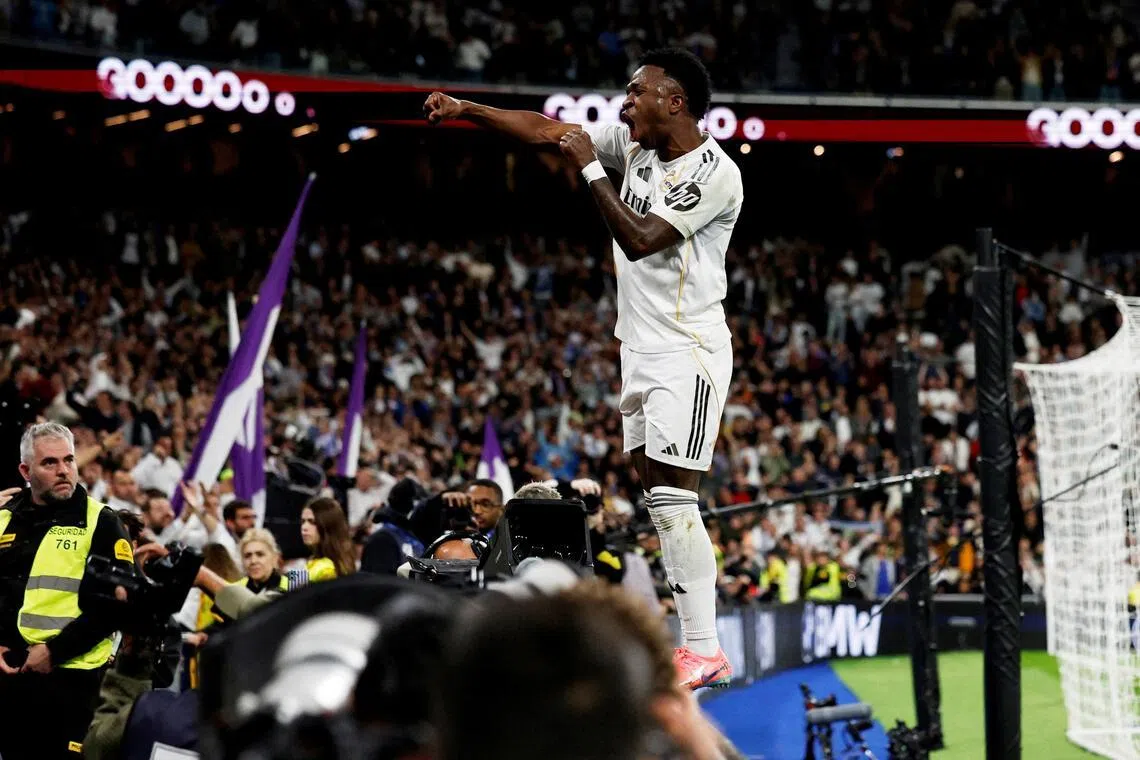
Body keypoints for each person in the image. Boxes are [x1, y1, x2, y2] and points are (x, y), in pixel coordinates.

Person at [425, 46, 743, 689]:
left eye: (637, 92)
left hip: (690, 351)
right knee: (659, 496)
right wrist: (468, 110)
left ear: (674, 102)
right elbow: (549, 129)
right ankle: (695, 645)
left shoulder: (716, 174)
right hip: (640, 348)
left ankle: (704, 647)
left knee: (677, 494)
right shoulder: (637, 146)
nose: (625, 103)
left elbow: (642, 237)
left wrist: (593, 171)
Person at [0, 422, 138, 759]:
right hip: (10, 680)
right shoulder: (4, 518)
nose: (64, 471)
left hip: (74, 683)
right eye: (50, 463)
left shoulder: (102, 521)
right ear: (25, 470)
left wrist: (55, 651)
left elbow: (117, 607)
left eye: (69, 460)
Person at [299, 497, 356, 582]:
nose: (304, 527)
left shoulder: (326, 568)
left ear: (328, 525)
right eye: (303, 521)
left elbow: (286, 583)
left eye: (312, 522)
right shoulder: (318, 561)